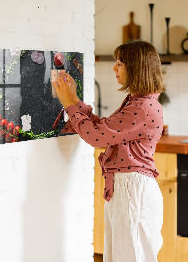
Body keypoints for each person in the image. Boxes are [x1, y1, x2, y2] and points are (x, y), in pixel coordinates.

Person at [53, 40, 165, 262]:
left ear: (136, 68)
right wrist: (74, 100)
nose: (114, 68)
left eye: (120, 63)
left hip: (133, 191)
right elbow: (104, 129)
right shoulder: (138, 102)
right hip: (128, 189)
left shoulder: (142, 107)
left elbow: (96, 137)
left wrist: (68, 104)